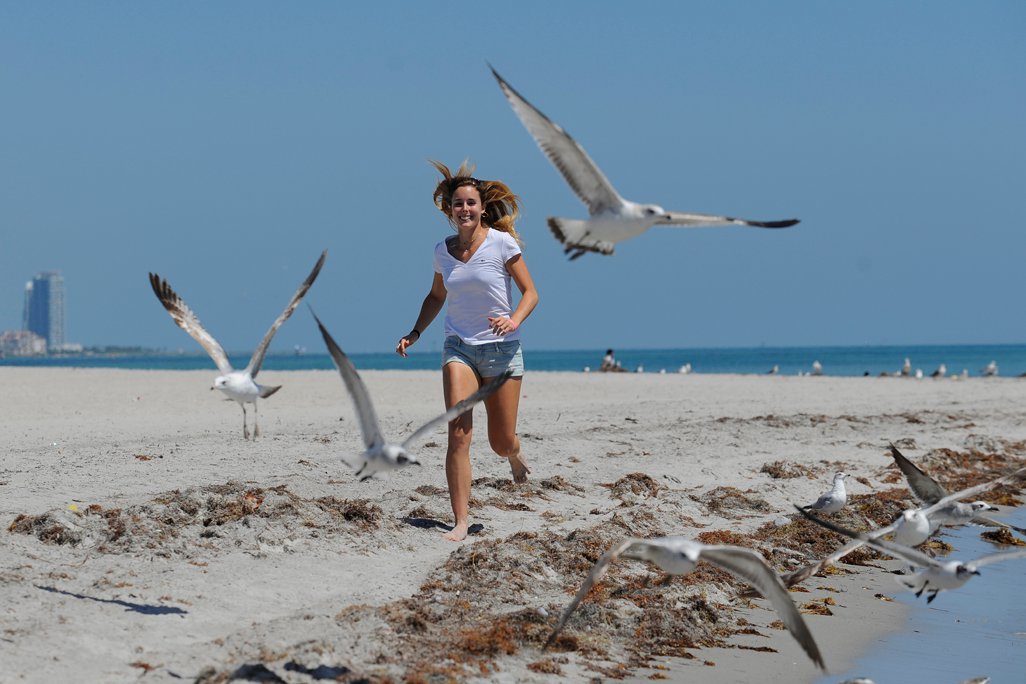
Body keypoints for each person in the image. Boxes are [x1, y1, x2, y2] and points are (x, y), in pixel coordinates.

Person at [395, 161, 539, 542]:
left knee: (500, 441)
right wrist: (415, 332)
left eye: (471, 203)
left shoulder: (502, 243)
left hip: (501, 352)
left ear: (482, 207)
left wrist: (513, 320)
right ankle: (460, 520)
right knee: (458, 434)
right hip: (458, 348)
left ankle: (514, 452)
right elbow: (436, 296)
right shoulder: (442, 252)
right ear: (450, 209)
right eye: (458, 203)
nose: (464, 209)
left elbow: (531, 293)